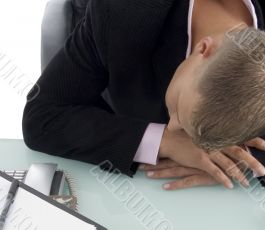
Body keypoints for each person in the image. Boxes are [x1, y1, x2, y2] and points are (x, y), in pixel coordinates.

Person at [23, 0, 265, 190]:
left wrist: (238, 160)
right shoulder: (120, 14)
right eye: (180, 111)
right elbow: (43, 117)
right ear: (204, 49)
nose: (172, 126)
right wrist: (164, 142)